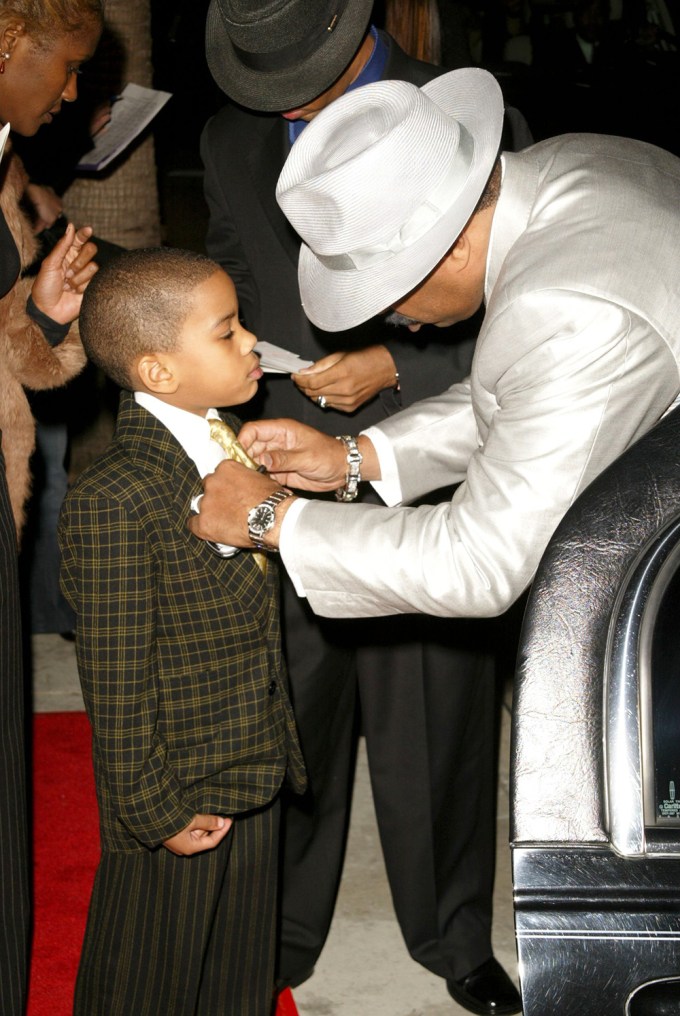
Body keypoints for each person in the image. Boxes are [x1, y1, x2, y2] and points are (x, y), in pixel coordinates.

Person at [202, 2, 524, 1012]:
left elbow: (518, 307)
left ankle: (451, 932)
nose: (285, 103)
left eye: (301, 75)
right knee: (293, 704)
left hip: (425, 449)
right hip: (290, 450)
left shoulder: (470, 113)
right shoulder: (226, 136)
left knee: (435, 706)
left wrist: (397, 358)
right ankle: (285, 927)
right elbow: (238, 276)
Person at [187, 70, 680, 698]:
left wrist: (272, 519)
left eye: (385, 295)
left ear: (449, 251)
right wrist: (353, 458)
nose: (387, 320)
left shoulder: (566, 311)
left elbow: (479, 562)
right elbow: (525, 398)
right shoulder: (570, 165)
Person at [58, 246, 306, 1016]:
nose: (252, 343)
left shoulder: (223, 437)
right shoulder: (116, 498)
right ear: (159, 371)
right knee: (147, 976)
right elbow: (116, 677)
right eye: (227, 333)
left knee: (235, 972)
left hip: (252, 758)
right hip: (176, 787)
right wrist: (151, 807)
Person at [0, 1, 102, 1010]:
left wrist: (45, 312)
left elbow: (14, 356)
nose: (71, 91)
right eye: (63, 66)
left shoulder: (4, 169)